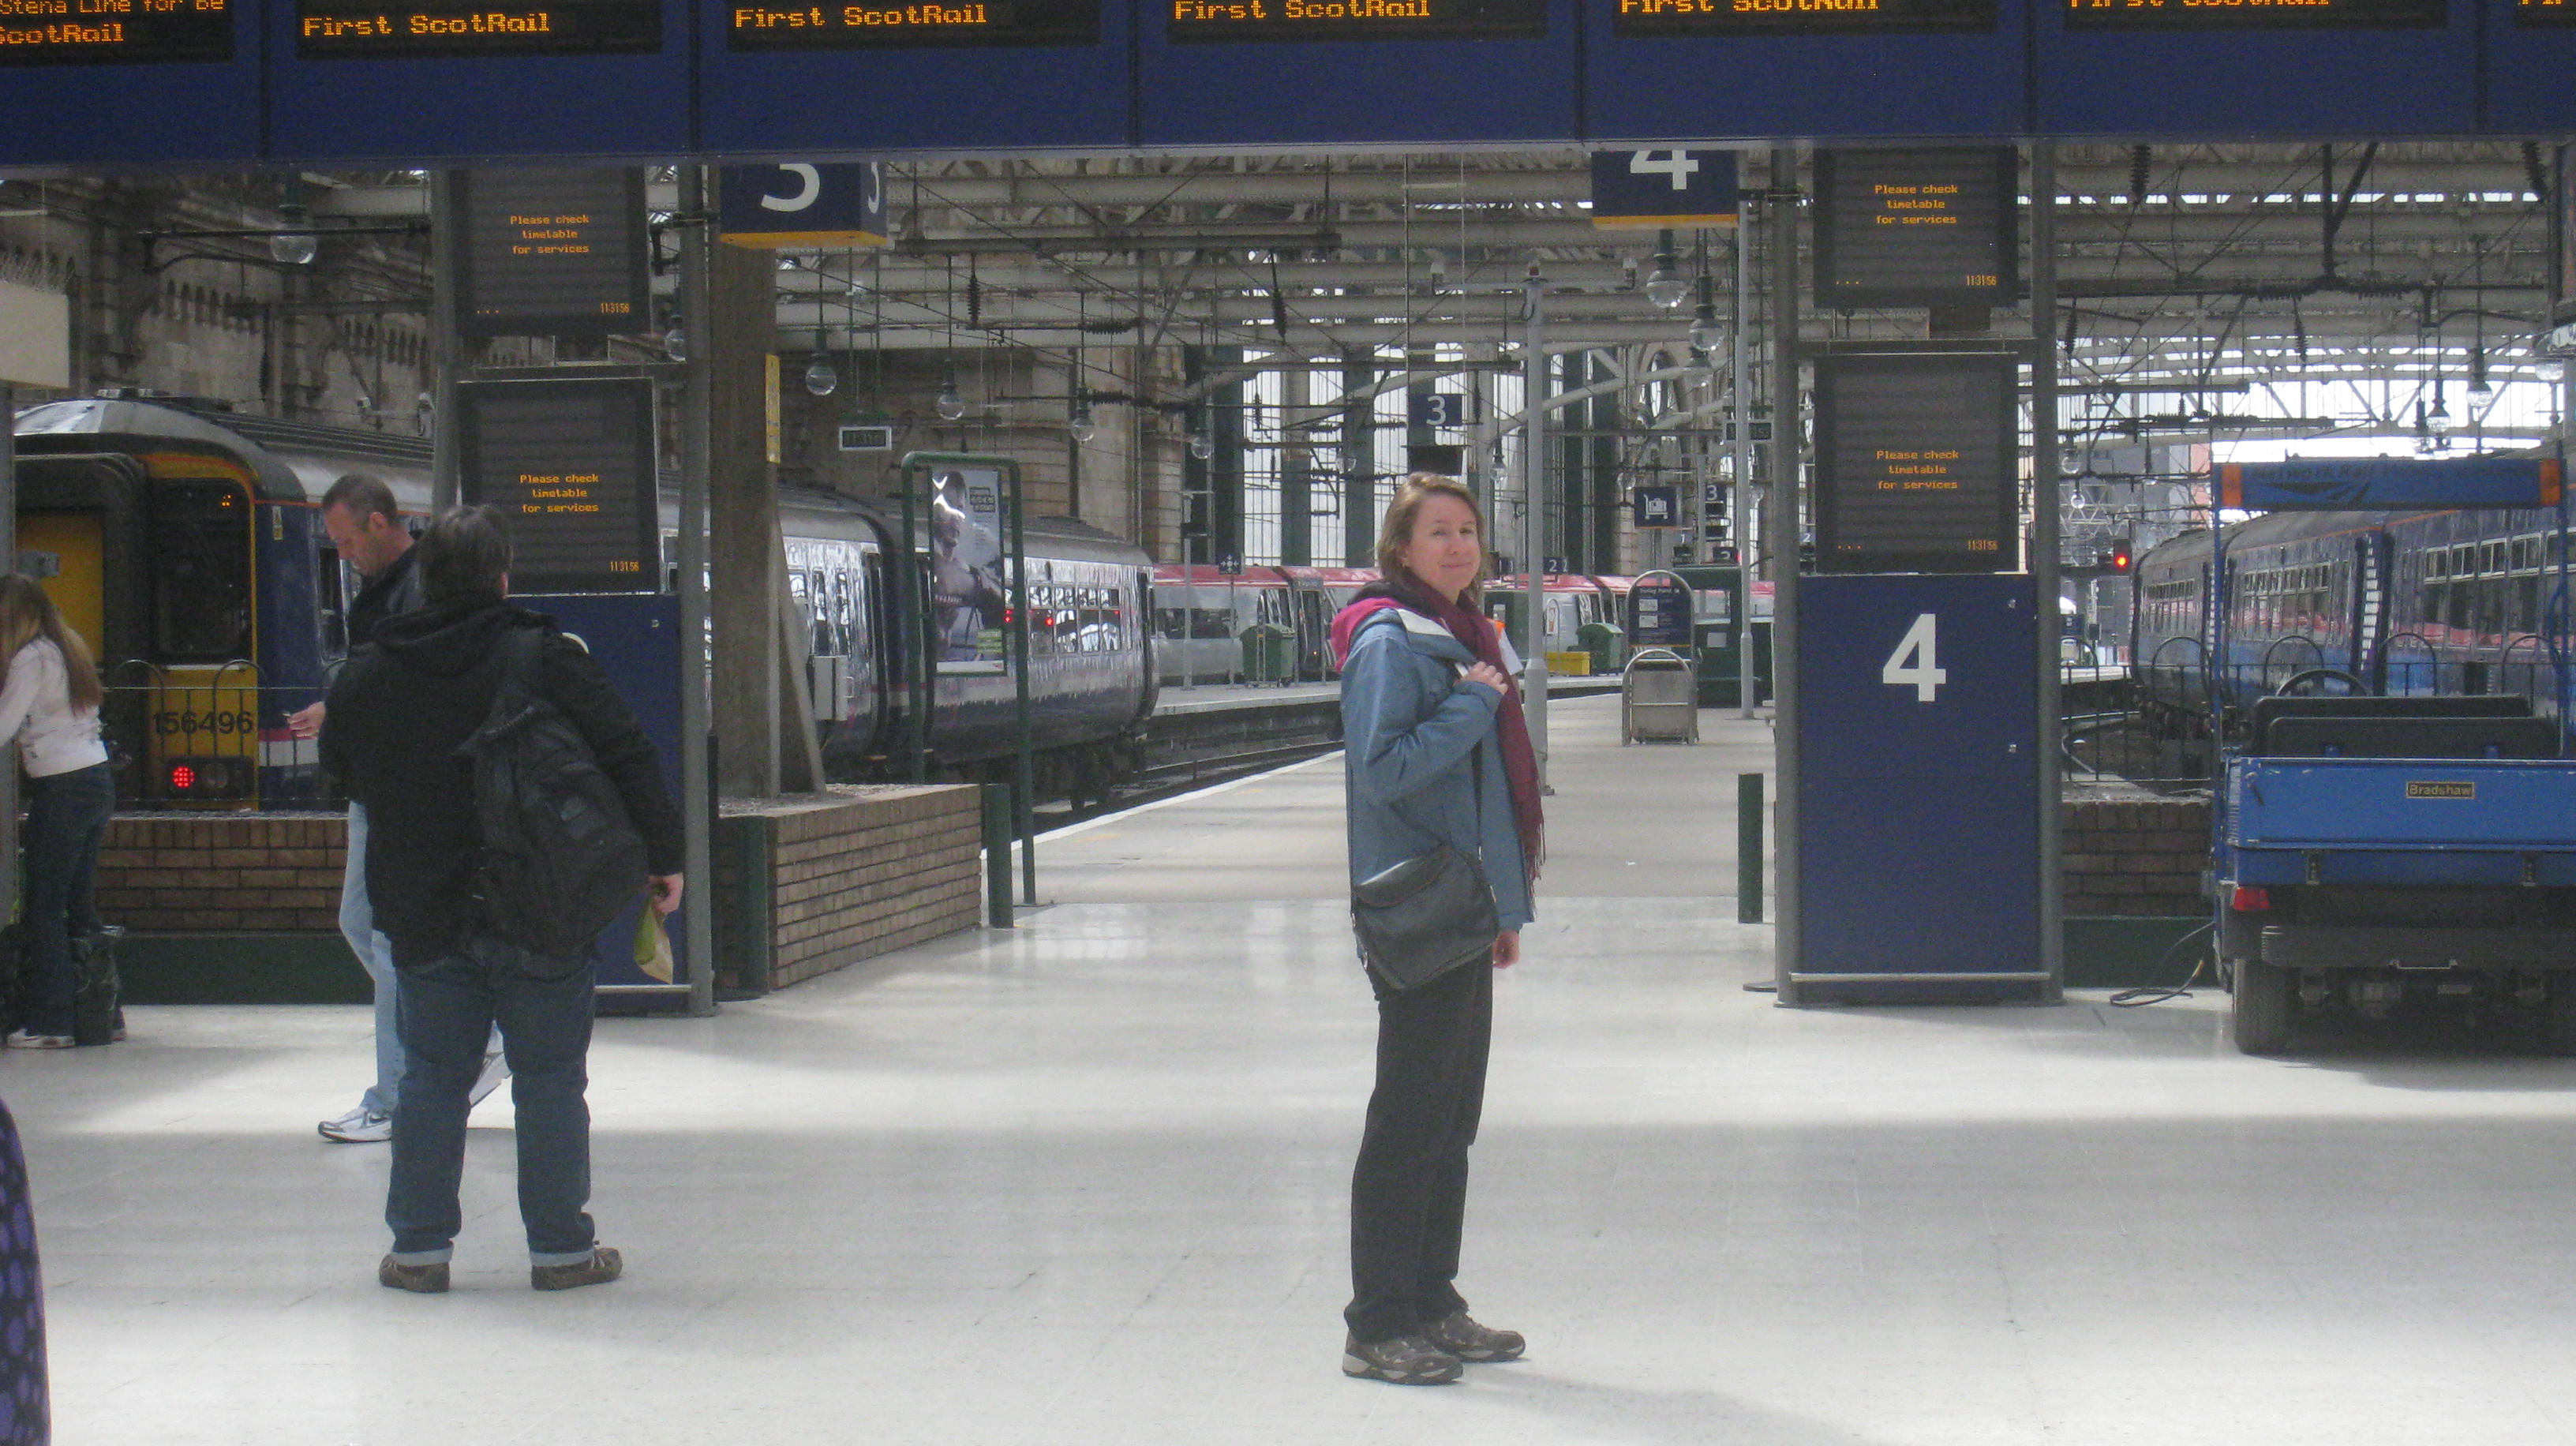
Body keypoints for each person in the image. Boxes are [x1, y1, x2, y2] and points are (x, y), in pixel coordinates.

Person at [320, 505, 683, 1293]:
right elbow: (626, 750)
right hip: (540, 897)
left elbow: (340, 771)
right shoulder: (543, 655)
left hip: (424, 905)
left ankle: (419, 1251)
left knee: (430, 1078)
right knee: (550, 1078)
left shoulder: (371, 669)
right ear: (502, 578)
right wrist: (665, 857)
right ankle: (560, 1251)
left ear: (426, 578)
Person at [1326, 474, 1543, 1386]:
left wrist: (1503, 907)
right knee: (1410, 1119)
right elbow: (1383, 768)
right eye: (1438, 532)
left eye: (1467, 530)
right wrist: (1472, 703)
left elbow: (1482, 792)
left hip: (1462, 902)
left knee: (1451, 1119)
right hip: (1417, 902)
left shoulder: (1461, 633)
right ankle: (1376, 1322)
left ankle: (1432, 1300)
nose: (1457, 546)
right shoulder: (1389, 640)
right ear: (1402, 549)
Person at [290, 474, 508, 1143]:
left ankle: (394, 1098)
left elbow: (404, 682)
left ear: (380, 523)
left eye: (345, 540)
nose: (342, 554)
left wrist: (343, 710)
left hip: (400, 789)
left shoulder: (414, 589)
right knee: (364, 925)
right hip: (380, 785)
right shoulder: (386, 588)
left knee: (387, 937)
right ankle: (479, 1041)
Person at [0, 575, 114, 1051]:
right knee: (79, 901)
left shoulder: (31, 657)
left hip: (62, 786)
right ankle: (101, 1014)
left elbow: (5, 723)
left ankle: (52, 1022)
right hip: (95, 777)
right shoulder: (68, 645)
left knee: (44, 907)